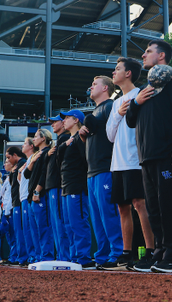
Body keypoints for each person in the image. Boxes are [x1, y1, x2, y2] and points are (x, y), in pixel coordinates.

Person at [126, 39, 172, 273]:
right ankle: (159, 252)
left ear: (161, 56)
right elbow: (130, 121)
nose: (143, 55)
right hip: (146, 156)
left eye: (148, 51)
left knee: (170, 204)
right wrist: (136, 102)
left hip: (167, 153)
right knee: (153, 208)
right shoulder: (142, 90)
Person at [104, 57, 154, 270]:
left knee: (140, 204)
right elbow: (110, 135)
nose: (113, 72)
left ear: (128, 73)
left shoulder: (141, 94)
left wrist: (131, 106)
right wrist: (119, 114)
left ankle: (151, 250)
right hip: (118, 163)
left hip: (136, 160)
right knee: (123, 207)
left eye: (117, 69)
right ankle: (126, 254)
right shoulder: (116, 103)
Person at [79, 76, 123, 267]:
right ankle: (103, 256)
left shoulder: (109, 106)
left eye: (95, 84)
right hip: (92, 171)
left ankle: (117, 253)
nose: (91, 86)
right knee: (97, 218)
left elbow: (113, 134)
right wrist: (82, 135)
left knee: (108, 214)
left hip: (106, 168)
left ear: (105, 88)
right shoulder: (96, 110)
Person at [57, 109, 94, 269]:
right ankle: (74, 257)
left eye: (66, 118)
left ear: (76, 120)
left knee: (78, 222)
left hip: (76, 186)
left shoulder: (81, 136)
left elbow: (87, 160)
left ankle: (84, 258)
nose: (63, 121)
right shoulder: (70, 139)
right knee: (68, 225)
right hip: (66, 186)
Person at [40, 115, 71, 262]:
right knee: (56, 223)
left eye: (55, 121)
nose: (52, 124)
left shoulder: (65, 138)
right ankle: (61, 255)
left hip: (58, 185)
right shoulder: (58, 142)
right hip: (52, 186)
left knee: (60, 222)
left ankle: (64, 256)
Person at [24, 129, 55, 261]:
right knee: (35, 230)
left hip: (40, 195)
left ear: (43, 138)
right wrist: (32, 161)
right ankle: (39, 257)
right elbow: (26, 174)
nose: (34, 139)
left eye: (36, 136)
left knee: (43, 227)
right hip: (31, 196)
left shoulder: (47, 152)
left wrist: (37, 191)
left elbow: (45, 173)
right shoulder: (37, 154)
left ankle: (46, 256)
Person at [18, 137, 41, 264]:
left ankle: (36, 255)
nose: (23, 145)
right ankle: (32, 255)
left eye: (25, 143)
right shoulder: (27, 161)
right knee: (27, 229)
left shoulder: (34, 157)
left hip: (29, 195)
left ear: (31, 146)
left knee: (33, 228)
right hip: (24, 196)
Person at [5, 146, 28, 266]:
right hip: (16, 202)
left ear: (15, 155)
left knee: (21, 231)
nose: (7, 161)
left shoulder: (23, 163)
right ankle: (20, 256)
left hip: (20, 201)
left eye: (9, 157)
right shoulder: (15, 168)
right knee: (17, 232)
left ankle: (23, 257)